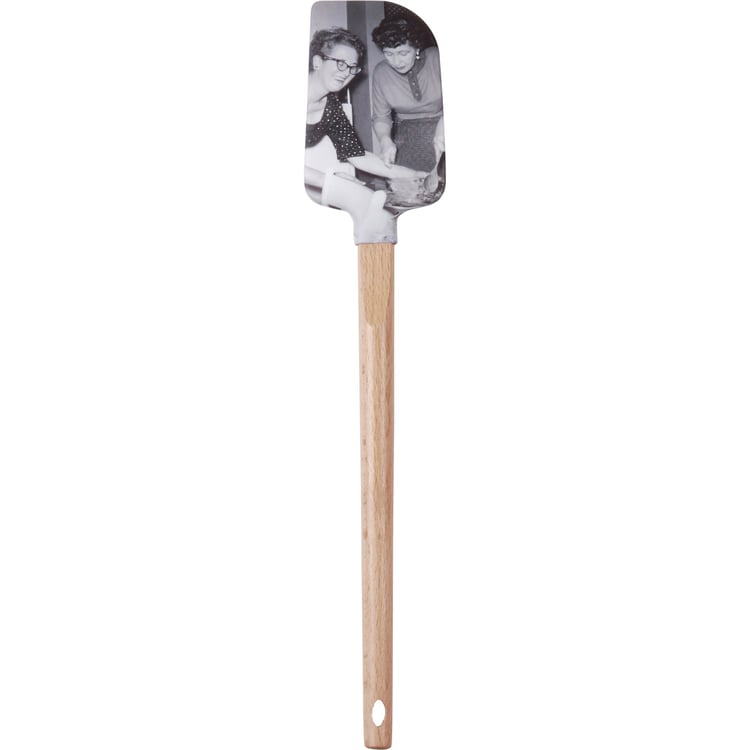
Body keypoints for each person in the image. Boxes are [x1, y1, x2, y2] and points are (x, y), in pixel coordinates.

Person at [305, 27, 423, 237]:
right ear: (317, 62)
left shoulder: (331, 106)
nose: (346, 72)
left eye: (352, 67)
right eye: (340, 63)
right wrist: (330, 183)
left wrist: (411, 175)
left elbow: (356, 155)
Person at [371, 17, 444, 173]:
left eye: (403, 53)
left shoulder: (437, 58)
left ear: (416, 47)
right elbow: (381, 116)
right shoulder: (381, 72)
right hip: (406, 135)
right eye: (388, 54)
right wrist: (385, 140)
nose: (396, 61)